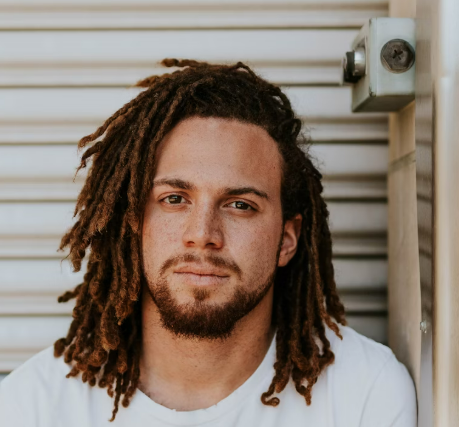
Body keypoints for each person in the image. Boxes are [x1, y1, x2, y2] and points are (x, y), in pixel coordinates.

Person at [0, 59, 416, 426]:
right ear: (133, 223)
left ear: (286, 240)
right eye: (174, 199)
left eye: (240, 205)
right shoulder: (33, 407)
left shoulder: (364, 393)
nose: (202, 234)